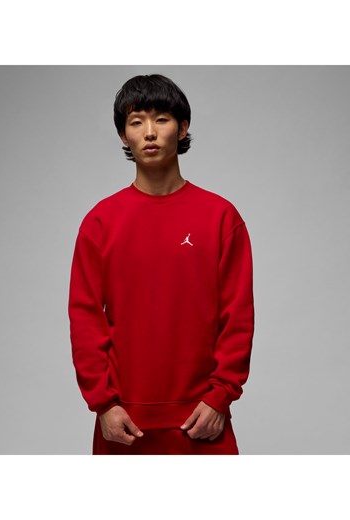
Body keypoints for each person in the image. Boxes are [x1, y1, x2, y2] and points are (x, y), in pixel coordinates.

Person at [68, 74, 255, 455]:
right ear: (123, 136)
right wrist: (104, 404)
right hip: (123, 422)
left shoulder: (221, 217)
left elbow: (238, 315)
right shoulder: (101, 222)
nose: (150, 132)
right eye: (136, 122)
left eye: (162, 119)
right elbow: (85, 318)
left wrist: (220, 397)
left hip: (203, 420)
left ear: (183, 128)